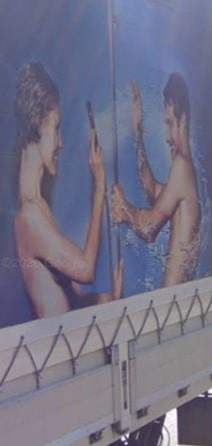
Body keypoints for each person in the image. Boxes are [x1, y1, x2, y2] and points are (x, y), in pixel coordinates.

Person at [13, 62, 122, 318]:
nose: (61, 142)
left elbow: (71, 294)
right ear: (38, 122)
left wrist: (110, 299)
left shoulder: (38, 207)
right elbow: (85, 270)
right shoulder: (30, 216)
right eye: (56, 127)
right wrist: (99, 189)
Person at [111, 75, 200, 287]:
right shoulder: (186, 174)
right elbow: (151, 190)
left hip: (174, 298)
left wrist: (123, 208)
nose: (167, 136)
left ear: (184, 119)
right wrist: (137, 131)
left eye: (170, 123)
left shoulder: (182, 165)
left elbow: (149, 229)